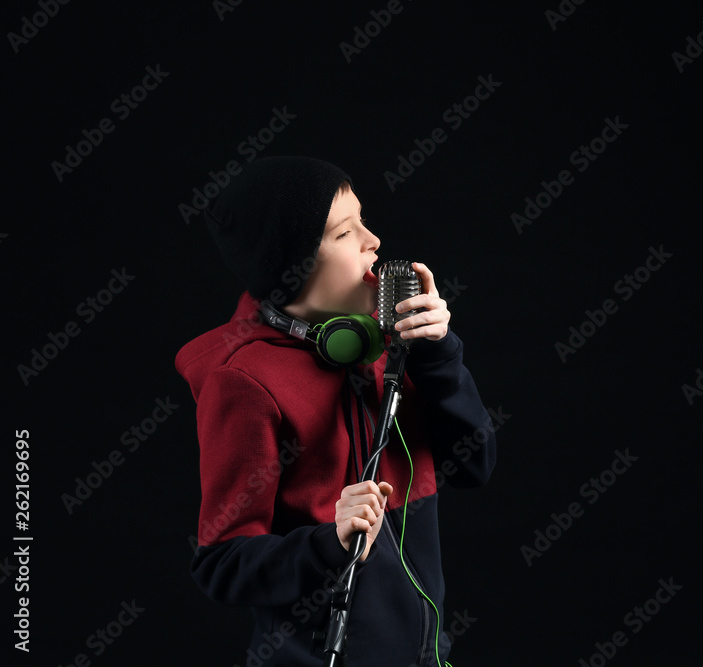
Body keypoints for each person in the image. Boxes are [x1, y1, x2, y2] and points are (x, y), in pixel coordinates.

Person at [174, 156, 496, 666]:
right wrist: (329, 542)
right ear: (294, 263)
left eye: (364, 221)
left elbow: (474, 464)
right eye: (346, 232)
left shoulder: (384, 343)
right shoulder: (245, 383)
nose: (374, 240)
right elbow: (221, 564)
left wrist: (438, 353)